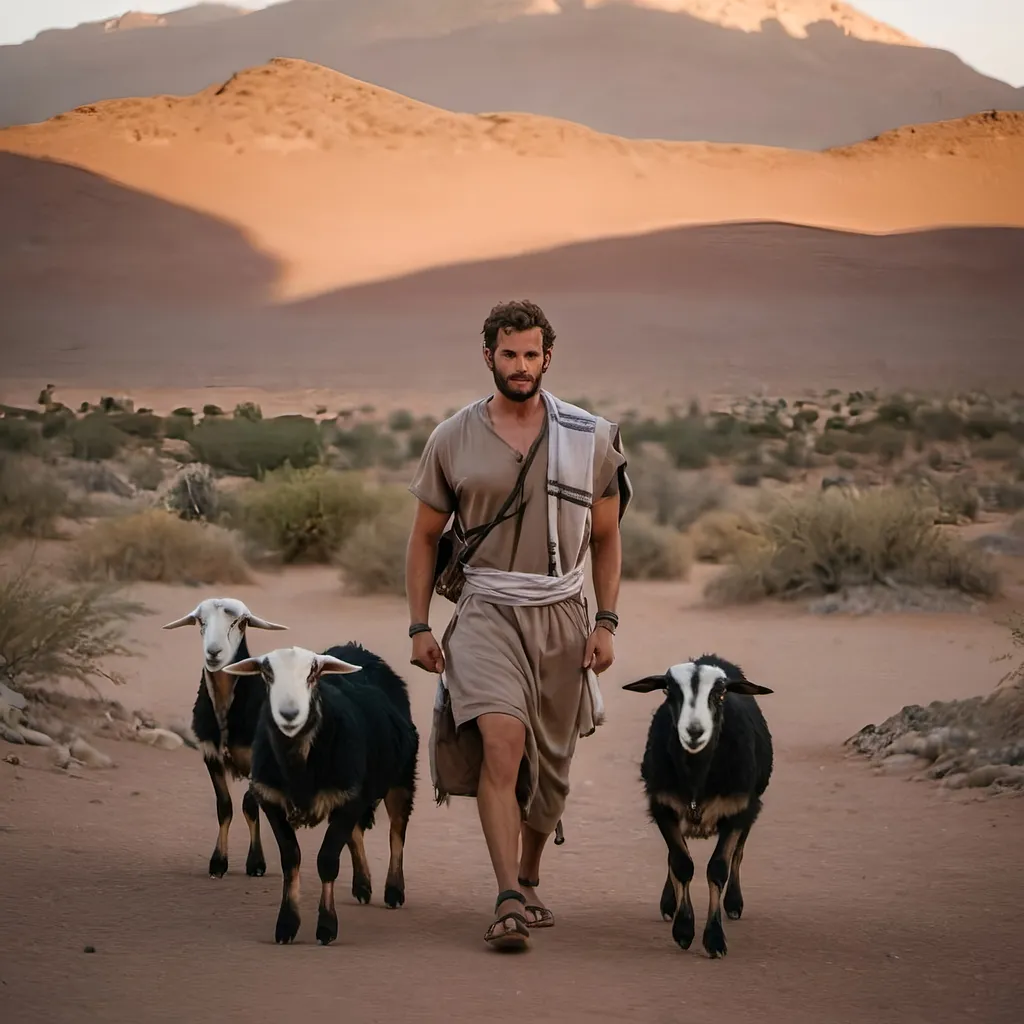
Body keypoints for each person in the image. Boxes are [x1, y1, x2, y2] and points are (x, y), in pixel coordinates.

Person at [404, 299, 632, 951]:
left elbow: (609, 538)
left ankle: (530, 871)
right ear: (488, 357)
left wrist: (607, 620)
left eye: (532, 354)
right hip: (485, 610)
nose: (521, 366)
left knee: (552, 769)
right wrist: (420, 624)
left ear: (548, 358)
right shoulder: (451, 438)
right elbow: (423, 539)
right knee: (501, 741)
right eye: (509, 354)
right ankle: (506, 895)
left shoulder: (589, 437)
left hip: (563, 612)